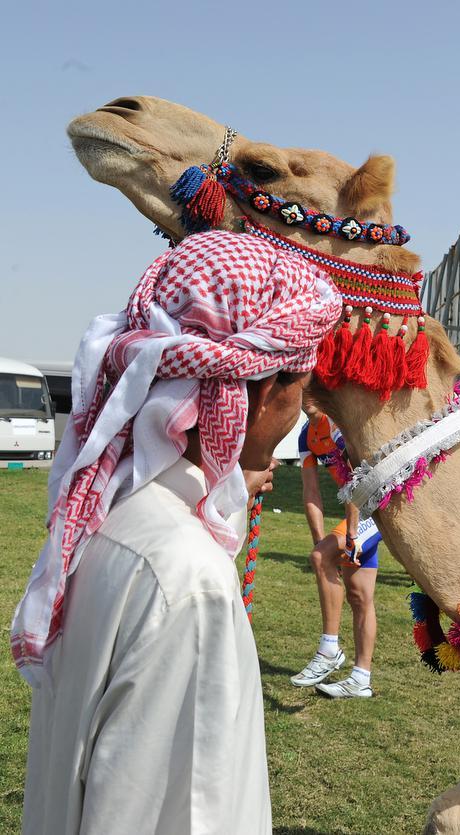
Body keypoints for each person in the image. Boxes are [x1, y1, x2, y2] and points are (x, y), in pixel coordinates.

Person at [13, 230, 341, 834]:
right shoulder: (187, 579)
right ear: (267, 390)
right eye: (302, 388)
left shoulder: (106, 524)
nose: (304, 410)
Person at [291, 401, 384, 699]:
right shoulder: (306, 435)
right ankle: (361, 679)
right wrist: (319, 539)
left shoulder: (338, 427)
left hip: (377, 511)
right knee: (359, 595)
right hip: (360, 512)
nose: (306, 398)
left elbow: (354, 481)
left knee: (322, 558)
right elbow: (311, 493)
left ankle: (330, 649)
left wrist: (352, 533)